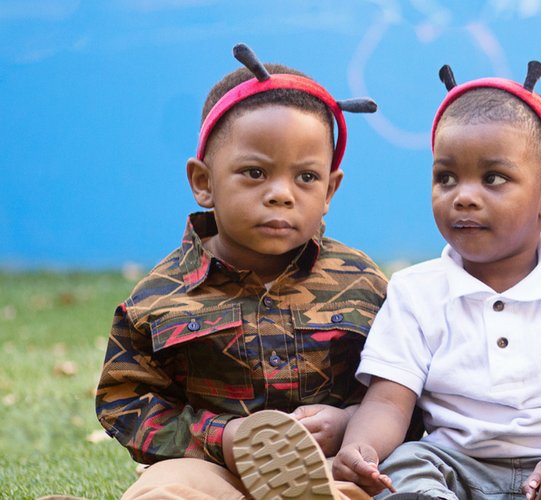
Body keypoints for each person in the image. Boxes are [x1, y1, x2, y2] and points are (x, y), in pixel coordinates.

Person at [331, 63, 541, 500]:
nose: (463, 195)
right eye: (445, 177)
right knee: (406, 463)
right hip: (455, 469)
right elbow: (389, 401)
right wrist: (362, 447)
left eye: (493, 178)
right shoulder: (415, 290)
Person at [95, 43, 384, 499]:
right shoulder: (160, 296)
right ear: (203, 182)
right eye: (254, 173)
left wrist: (351, 423)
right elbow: (124, 402)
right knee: (162, 492)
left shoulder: (362, 282)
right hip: (212, 471)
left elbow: (404, 388)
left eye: (306, 178)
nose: (280, 194)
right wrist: (221, 438)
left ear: (330, 189)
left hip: (331, 469)